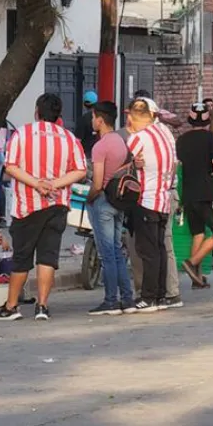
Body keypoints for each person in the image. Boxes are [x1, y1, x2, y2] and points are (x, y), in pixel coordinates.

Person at [0, 93, 87, 321]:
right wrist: (54, 184)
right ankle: (42, 306)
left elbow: (11, 167)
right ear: (59, 115)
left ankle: (12, 306)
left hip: (27, 206)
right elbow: (81, 170)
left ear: (37, 112)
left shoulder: (22, 134)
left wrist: (37, 184)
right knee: (48, 257)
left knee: (22, 257)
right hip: (57, 205)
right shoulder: (69, 138)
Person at [84, 101, 136, 315]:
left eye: (93, 116)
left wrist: (89, 198)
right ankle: (127, 298)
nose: (91, 120)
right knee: (116, 251)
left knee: (107, 253)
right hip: (121, 200)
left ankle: (110, 300)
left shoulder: (100, 146)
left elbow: (97, 184)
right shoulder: (124, 141)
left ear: (100, 119)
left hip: (104, 201)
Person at [127, 98, 178, 312]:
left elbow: (124, 160)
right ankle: (160, 295)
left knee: (148, 251)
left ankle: (148, 298)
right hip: (163, 198)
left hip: (146, 199)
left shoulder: (137, 139)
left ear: (131, 117)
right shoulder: (164, 133)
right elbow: (174, 163)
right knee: (160, 248)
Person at [177, 103, 213, 290]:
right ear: (207, 120)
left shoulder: (181, 140)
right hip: (206, 192)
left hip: (188, 193)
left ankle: (196, 279)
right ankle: (192, 262)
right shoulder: (210, 138)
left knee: (197, 233)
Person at [77, 90, 98, 157]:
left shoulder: (83, 119)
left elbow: (78, 139)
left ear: (84, 104)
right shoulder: (102, 117)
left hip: (87, 155)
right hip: (100, 154)